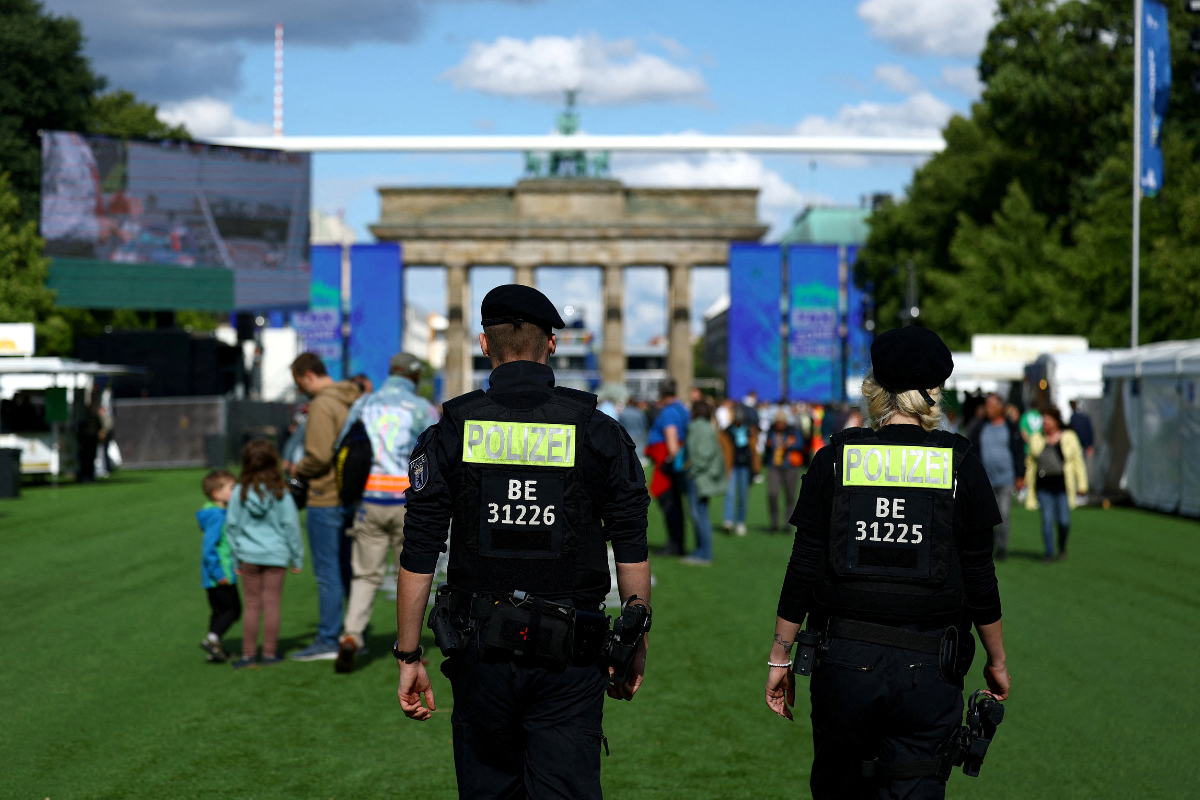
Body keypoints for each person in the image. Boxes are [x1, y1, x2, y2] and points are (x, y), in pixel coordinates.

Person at [393, 284, 651, 799]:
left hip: (479, 655)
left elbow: (419, 551)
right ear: (551, 344)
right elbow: (631, 548)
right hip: (571, 658)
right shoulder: (599, 433)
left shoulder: (450, 431)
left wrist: (407, 656)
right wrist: (635, 647)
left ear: (485, 346)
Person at [765, 326, 1011, 799]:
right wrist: (996, 660)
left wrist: (780, 655)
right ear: (934, 393)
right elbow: (981, 577)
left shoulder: (835, 459)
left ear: (874, 389)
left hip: (843, 664)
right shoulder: (960, 465)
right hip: (930, 668)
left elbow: (803, 568)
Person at [334, 352, 438, 674]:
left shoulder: (366, 403)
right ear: (415, 376)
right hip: (409, 504)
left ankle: (351, 635)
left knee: (365, 574)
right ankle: (411, 650)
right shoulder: (422, 408)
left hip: (369, 501)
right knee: (409, 576)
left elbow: (344, 446)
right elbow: (437, 454)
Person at [288, 352, 362, 661]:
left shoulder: (322, 404)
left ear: (307, 376)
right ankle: (354, 633)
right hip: (350, 494)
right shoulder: (354, 397)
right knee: (347, 569)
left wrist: (295, 469)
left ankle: (329, 639)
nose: (300, 389)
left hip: (324, 495)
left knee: (328, 572)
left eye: (298, 383)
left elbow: (318, 457)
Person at [225, 440, 305, 668]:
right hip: (276, 556)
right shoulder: (281, 492)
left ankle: (248, 655)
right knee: (272, 603)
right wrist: (297, 558)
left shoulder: (239, 492)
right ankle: (269, 654)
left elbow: (232, 527)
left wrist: (235, 558)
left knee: (251, 604)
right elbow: (291, 526)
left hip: (248, 556)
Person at [1024, 407, 1088, 563]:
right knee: (1047, 519)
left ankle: (1062, 545)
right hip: (1043, 485)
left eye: (1048, 420)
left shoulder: (1069, 437)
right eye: (1043, 421)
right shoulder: (1037, 439)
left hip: (1062, 486)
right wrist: (1025, 481)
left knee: (1064, 521)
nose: (1045, 424)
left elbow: (1078, 461)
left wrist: (1082, 484)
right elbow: (1031, 462)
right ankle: (1049, 552)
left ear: (1056, 421)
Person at [967, 393, 1026, 561]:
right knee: (985, 516)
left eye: (991, 406)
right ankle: (988, 544)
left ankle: (1002, 547)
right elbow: (973, 450)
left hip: (1006, 478)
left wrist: (1020, 475)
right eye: (986, 406)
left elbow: (1018, 452)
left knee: (1004, 514)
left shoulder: (1011, 428)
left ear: (1000, 408)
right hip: (986, 479)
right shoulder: (980, 427)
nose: (987, 409)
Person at [197, 469, 240, 663]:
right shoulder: (218, 517)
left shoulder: (215, 512)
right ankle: (212, 639)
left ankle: (215, 650)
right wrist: (219, 572)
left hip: (212, 575)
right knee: (233, 610)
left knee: (219, 612)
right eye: (232, 488)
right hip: (221, 574)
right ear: (217, 494)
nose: (236, 491)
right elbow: (209, 548)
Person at [646, 378, 690, 555]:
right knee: (675, 505)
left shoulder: (669, 412)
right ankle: (676, 543)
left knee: (669, 504)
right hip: (674, 462)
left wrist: (671, 460)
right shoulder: (682, 409)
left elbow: (671, 439)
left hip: (667, 463)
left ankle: (674, 544)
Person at [683, 399, 726, 565]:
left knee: (699, 515)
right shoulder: (707, 426)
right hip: (704, 476)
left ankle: (705, 553)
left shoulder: (697, 427)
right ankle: (701, 550)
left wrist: (692, 468)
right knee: (701, 514)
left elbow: (703, 453)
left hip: (699, 477)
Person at [764, 412, 803, 534]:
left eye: (782, 422)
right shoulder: (771, 432)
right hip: (774, 466)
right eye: (777, 423)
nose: (779, 425)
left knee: (790, 496)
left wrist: (790, 444)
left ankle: (788, 524)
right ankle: (774, 522)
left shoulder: (792, 432)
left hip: (790, 466)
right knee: (772, 493)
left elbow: (801, 444)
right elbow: (767, 446)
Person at [721, 405, 754, 536]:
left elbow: (754, 450)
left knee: (743, 495)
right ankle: (728, 520)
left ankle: (740, 522)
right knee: (730, 493)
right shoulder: (728, 431)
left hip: (745, 466)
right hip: (732, 465)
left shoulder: (749, 430)